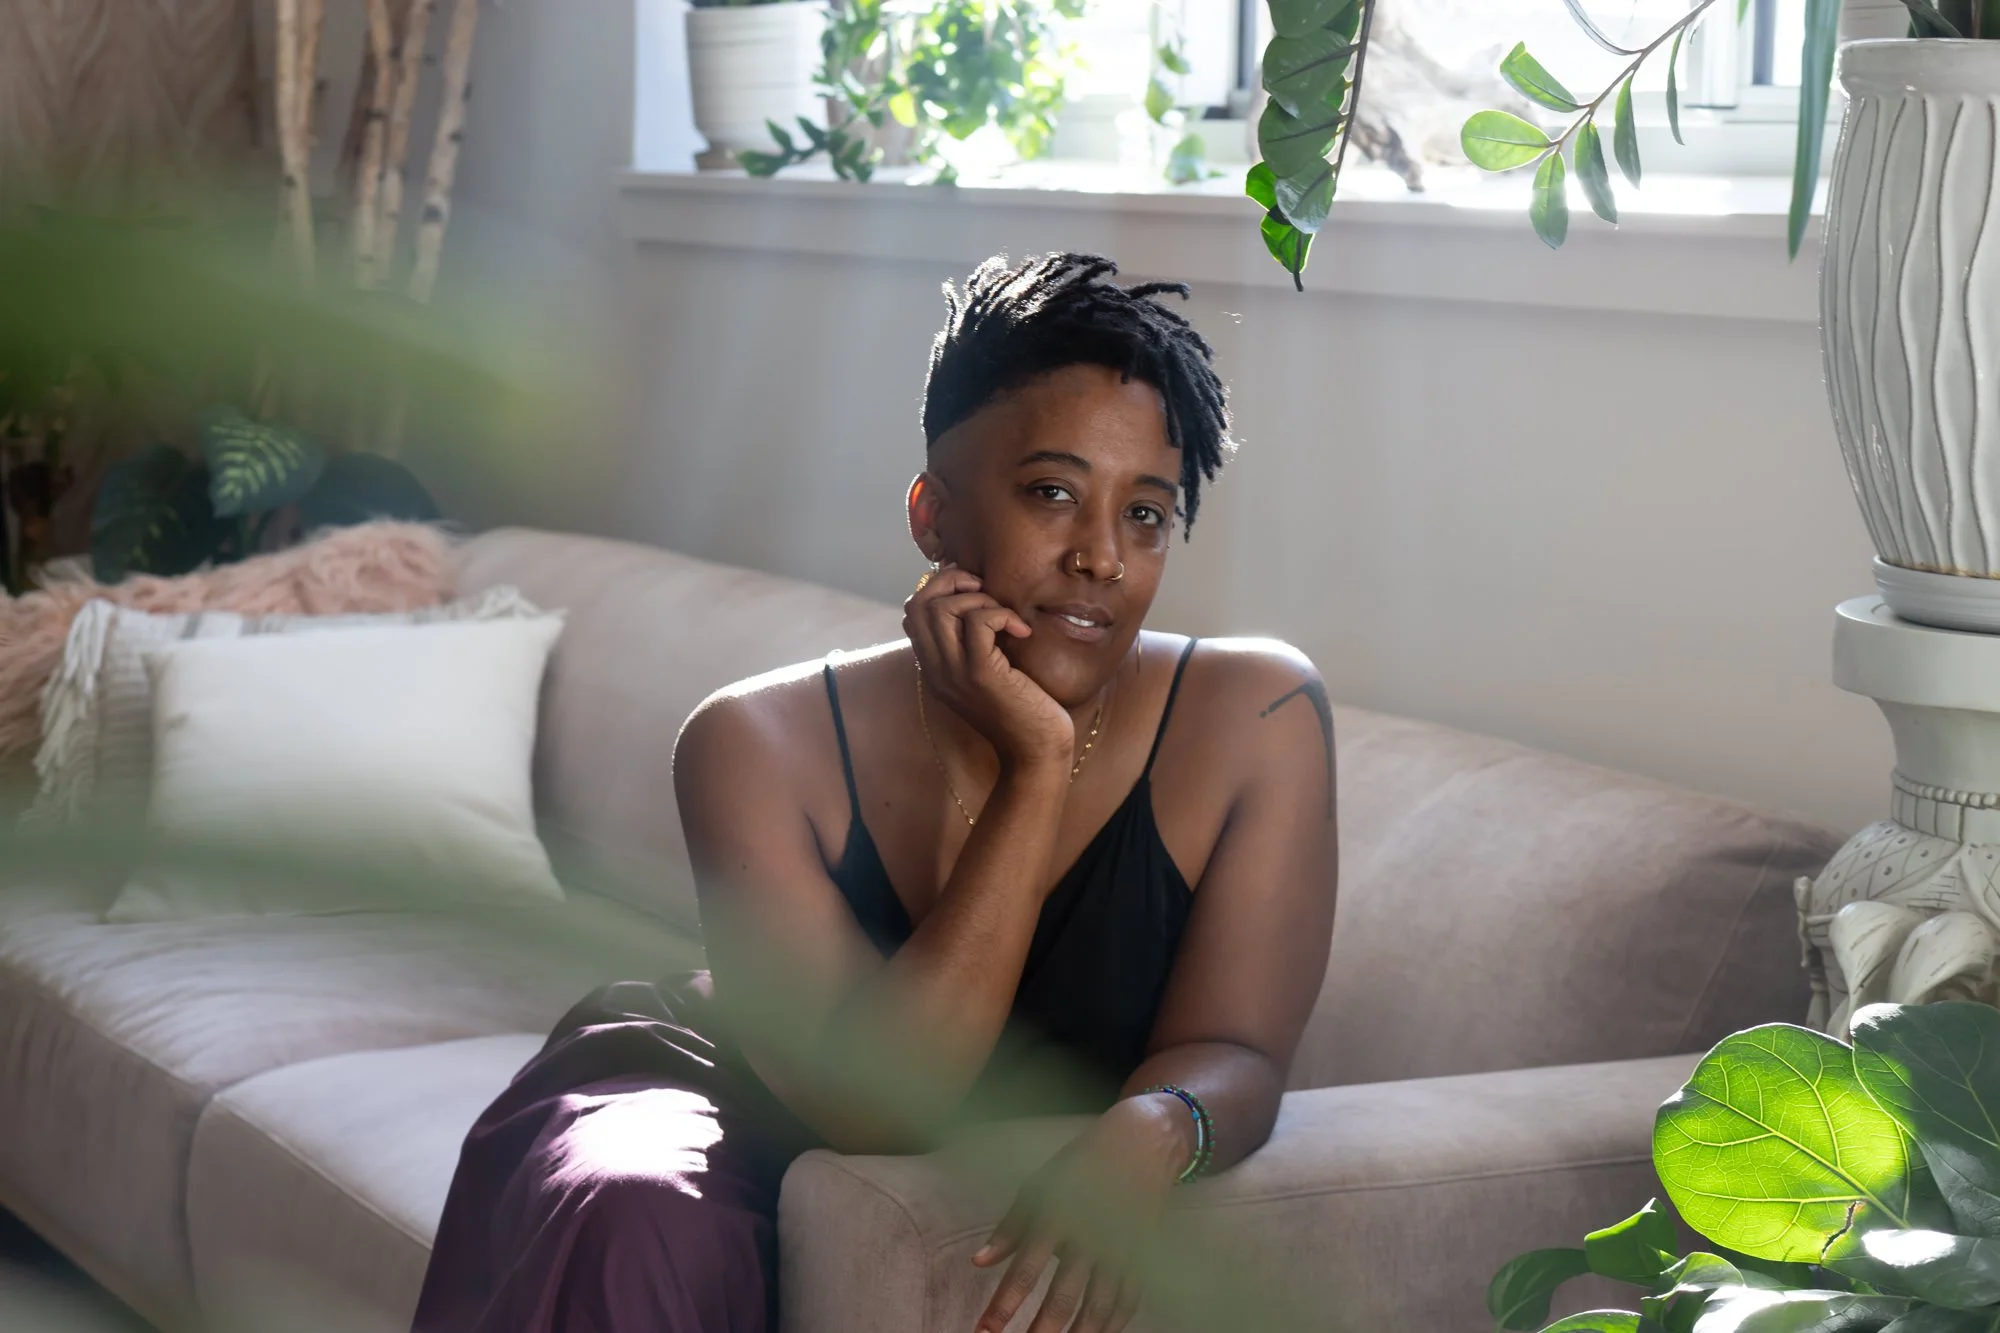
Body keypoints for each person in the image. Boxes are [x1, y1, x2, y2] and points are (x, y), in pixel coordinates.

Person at [412, 252, 1338, 1333]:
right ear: (931, 517)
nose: (1102, 558)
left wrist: (1153, 1128)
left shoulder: (1257, 716)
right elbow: (881, 1107)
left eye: (1145, 514)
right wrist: (1033, 764)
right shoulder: (745, 739)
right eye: (1052, 493)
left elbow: (1234, 1048)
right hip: (712, 1101)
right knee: (640, 1222)